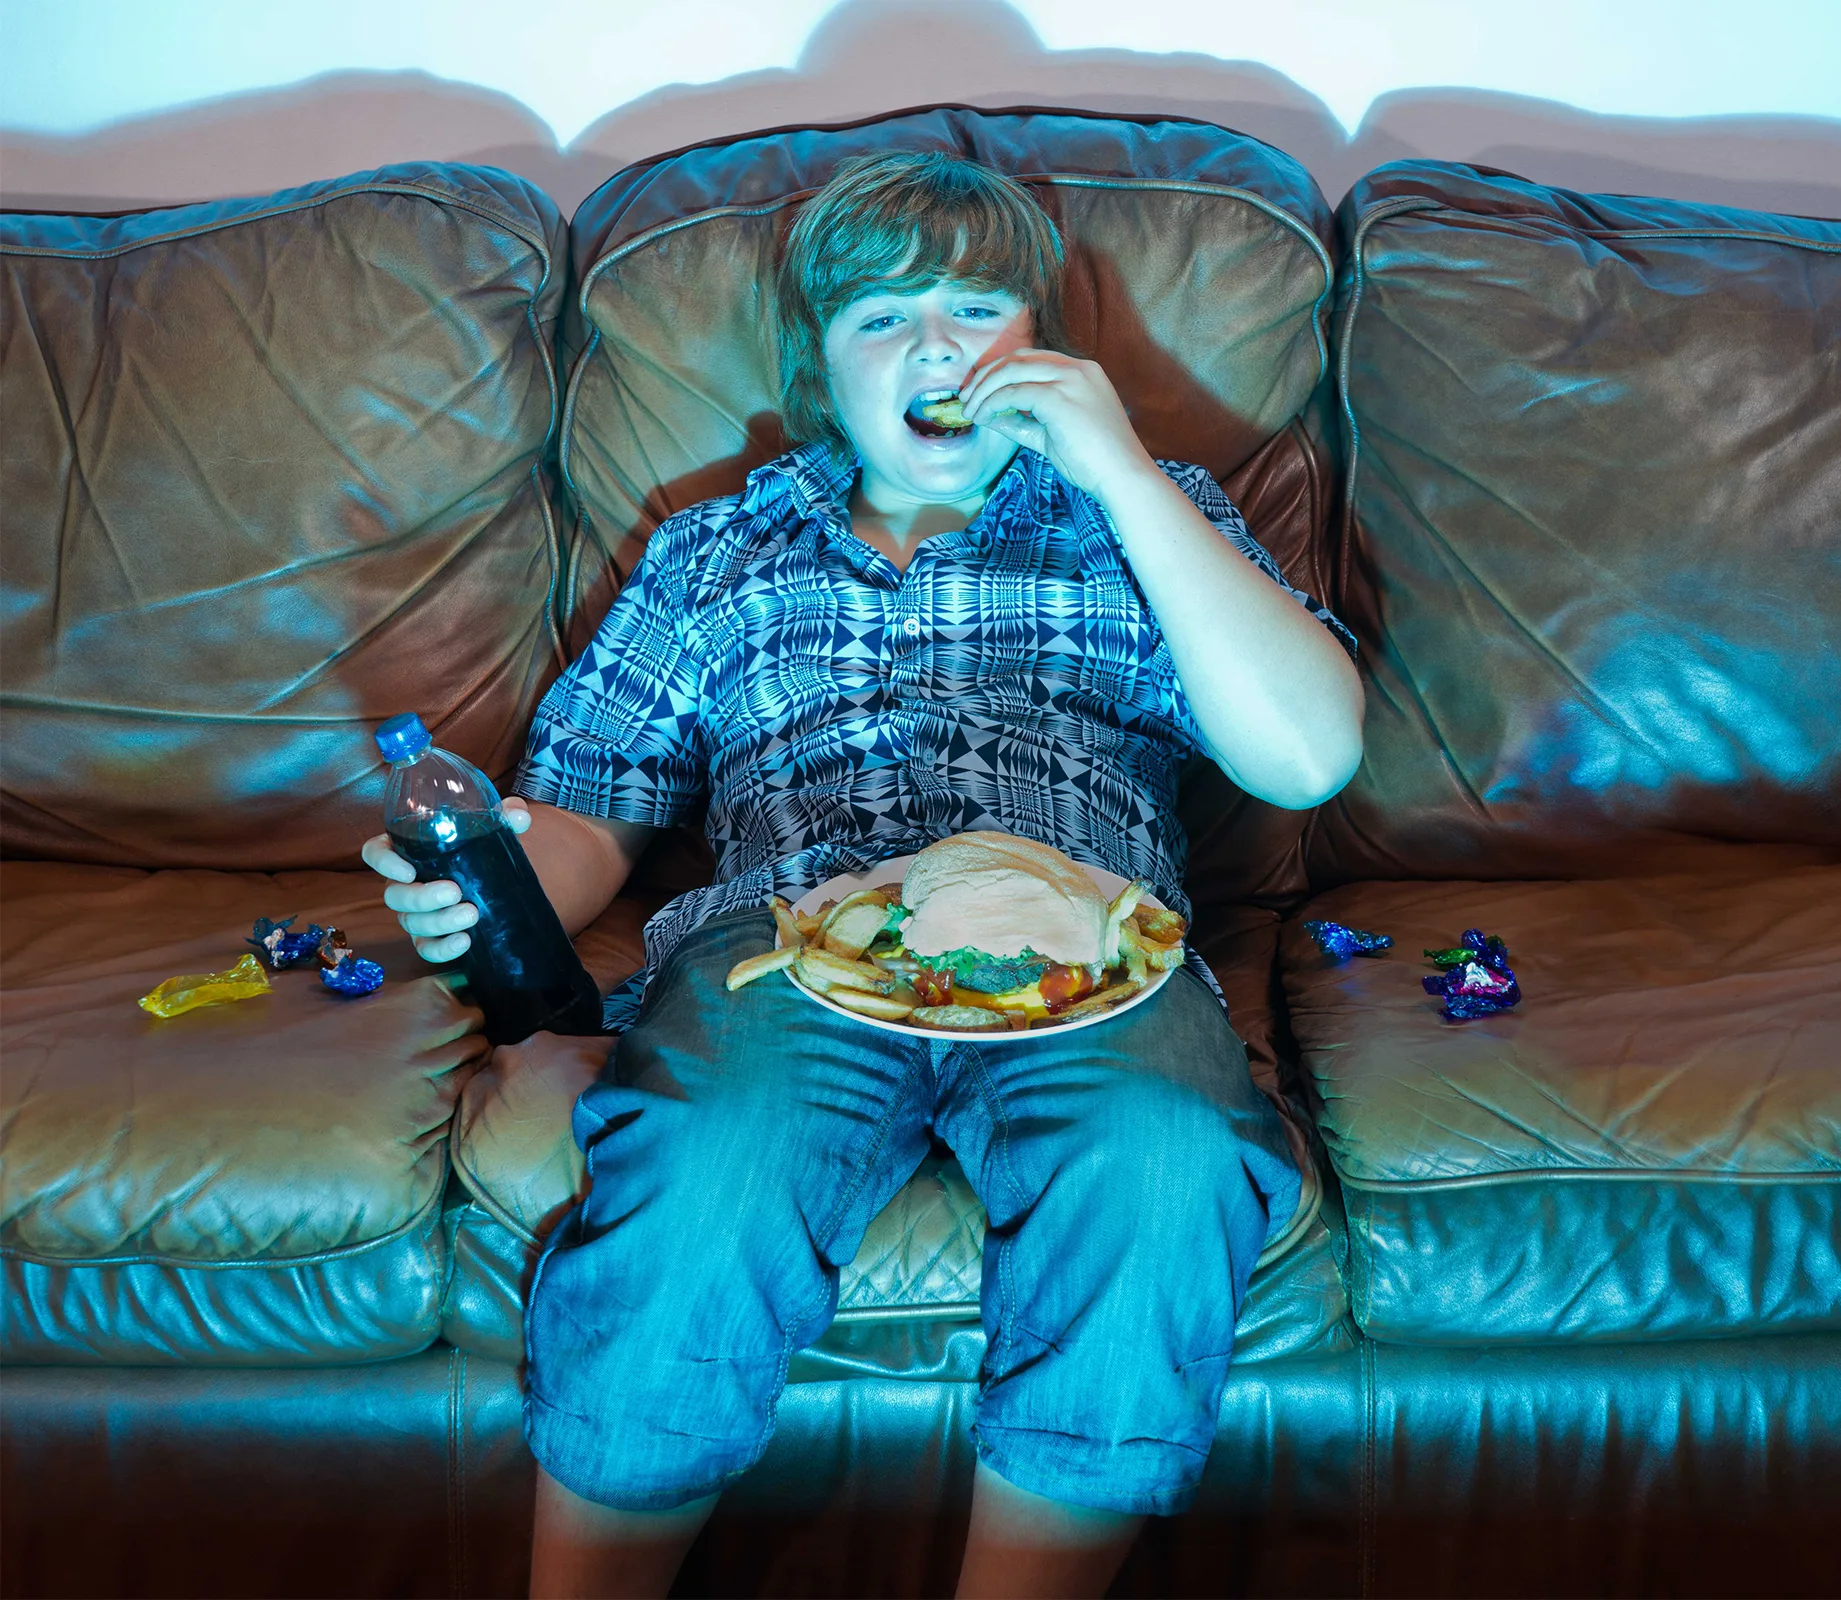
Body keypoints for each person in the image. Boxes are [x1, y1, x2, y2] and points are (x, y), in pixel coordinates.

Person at [365, 150, 1363, 1599]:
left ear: (1045, 346)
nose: (940, 344)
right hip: (789, 952)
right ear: (822, 371)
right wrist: (505, 876)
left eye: (978, 306)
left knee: (1167, 1156)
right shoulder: (717, 553)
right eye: (884, 316)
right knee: (706, 1163)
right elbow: (585, 816)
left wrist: (1123, 474)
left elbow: (1309, 759)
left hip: (1085, 959)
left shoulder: (1148, 515)